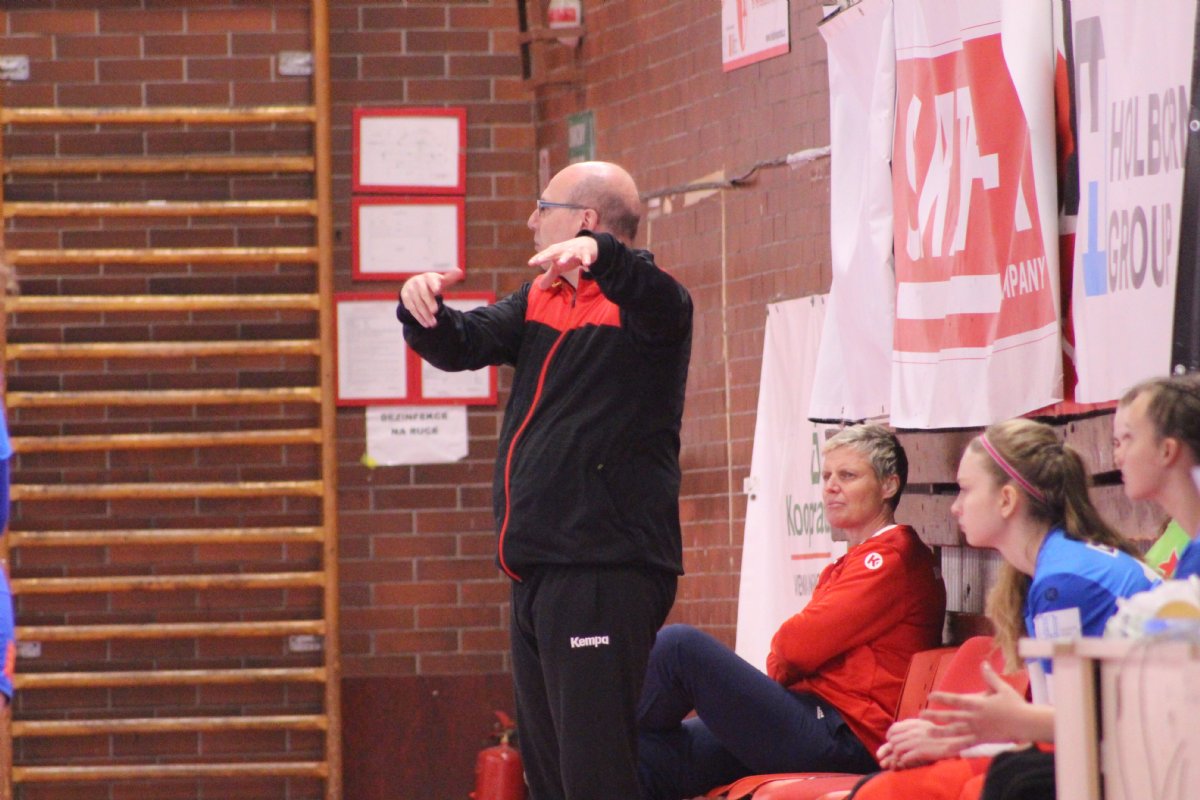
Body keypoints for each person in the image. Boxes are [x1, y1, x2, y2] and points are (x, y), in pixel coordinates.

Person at [396, 161, 693, 800]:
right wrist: (422, 308)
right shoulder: (542, 296)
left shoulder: (650, 304)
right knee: (550, 778)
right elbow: (463, 343)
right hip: (538, 570)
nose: (532, 220)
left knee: (595, 778)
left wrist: (605, 256)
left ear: (585, 221)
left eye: (544, 207)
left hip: (602, 567)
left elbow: (655, 295)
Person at [635, 424, 946, 800]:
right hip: (811, 717)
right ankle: (602, 740)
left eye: (848, 476)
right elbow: (790, 654)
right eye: (826, 476)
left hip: (846, 736)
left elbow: (792, 648)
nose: (831, 487)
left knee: (679, 648)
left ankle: (594, 732)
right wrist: (788, 662)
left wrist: (788, 661)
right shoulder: (854, 561)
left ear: (888, 486)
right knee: (644, 757)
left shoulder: (891, 558)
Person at [853, 418, 1156, 800]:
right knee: (886, 788)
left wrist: (964, 738)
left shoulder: (1064, 582)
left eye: (965, 490)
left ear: (1007, 500)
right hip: (1124, 750)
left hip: (1152, 760)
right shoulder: (1049, 570)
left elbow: (1074, 734)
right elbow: (1063, 730)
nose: (955, 507)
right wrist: (961, 737)